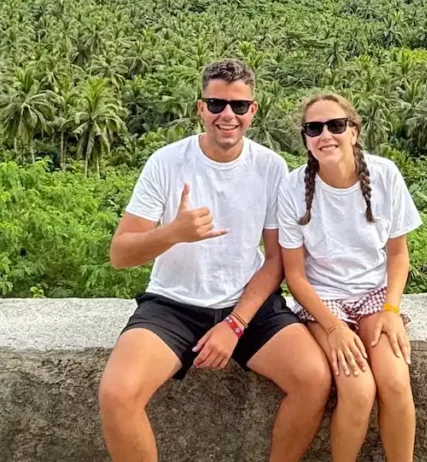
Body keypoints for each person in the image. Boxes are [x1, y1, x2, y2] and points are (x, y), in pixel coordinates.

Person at [98, 59, 332, 462]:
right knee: (117, 394)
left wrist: (235, 323)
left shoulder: (270, 167)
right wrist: (173, 233)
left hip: (248, 304)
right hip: (173, 304)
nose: (228, 115)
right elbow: (120, 254)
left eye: (239, 106)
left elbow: (275, 260)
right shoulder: (167, 162)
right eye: (217, 104)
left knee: (314, 379)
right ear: (200, 108)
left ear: (253, 111)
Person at [277, 93, 422, 462]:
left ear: (354, 132)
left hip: (373, 294)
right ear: (306, 139)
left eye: (336, 126)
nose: (325, 135)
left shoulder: (384, 174)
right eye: (314, 128)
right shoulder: (294, 188)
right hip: (322, 301)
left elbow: (398, 255)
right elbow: (295, 275)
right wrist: (333, 328)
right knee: (358, 390)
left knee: (395, 382)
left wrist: (392, 309)